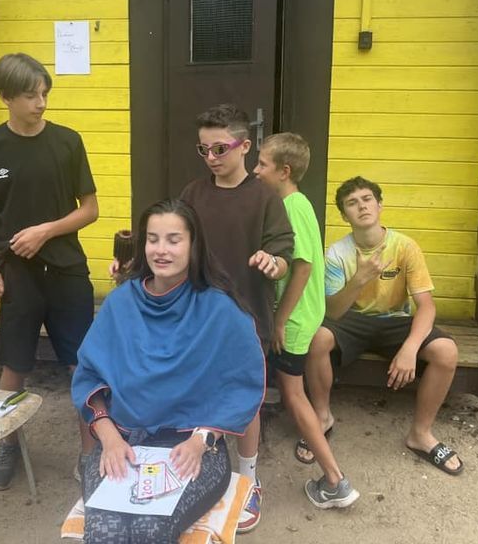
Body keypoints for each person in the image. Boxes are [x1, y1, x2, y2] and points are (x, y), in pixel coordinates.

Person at [72, 199, 265, 543]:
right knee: (104, 532)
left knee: (150, 530)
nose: (161, 250)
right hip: (122, 441)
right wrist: (109, 438)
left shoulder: (219, 308)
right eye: (153, 239)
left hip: (191, 445)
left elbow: (241, 385)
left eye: (173, 240)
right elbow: (89, 377)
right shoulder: (121, 303)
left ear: (193, 245)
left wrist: (201, 440)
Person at [0, 53, 99, 490]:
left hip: (67, 270)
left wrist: (46, 231)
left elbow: (90, 210)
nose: (41, 103)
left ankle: (90, 454)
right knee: (14, 364)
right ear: (6, 97)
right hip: (16, 275)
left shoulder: (67, 142)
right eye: (30, 96)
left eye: (44, 93)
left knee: (82, 365)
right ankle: (8, 445)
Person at [180, 104, 295, 532]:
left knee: (245, 400)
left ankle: (247, 477)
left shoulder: (265, 197)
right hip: (197, 314)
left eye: (220, 148)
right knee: (197, 392)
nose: (211, 157)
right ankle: (204, 465)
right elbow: (174, 243)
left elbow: (284, 256)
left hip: (248, 316)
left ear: (244, 146)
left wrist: (272, 262)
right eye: (204, 149)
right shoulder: (193, 194)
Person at [305, 176, 464, 475]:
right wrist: (359, 279)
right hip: (352, 320)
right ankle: (322, 418)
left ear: (379, 205)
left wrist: (410, 348)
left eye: (367, 199)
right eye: (352, 203)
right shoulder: (337, 253)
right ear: (344, 215)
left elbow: (426, 305)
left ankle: (421, 435)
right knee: (317, 339)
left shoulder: (405, 247)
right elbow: (334, 311)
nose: (361, 207)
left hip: (395, 321)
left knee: (446, 351)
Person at [253, 133, 360, 508]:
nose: (255, 170)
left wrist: (280, 320)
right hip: (304, 313)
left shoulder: (291, 207)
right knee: (292, 392)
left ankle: (335, 481)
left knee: (294, 395)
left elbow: (301, 267)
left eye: (262, 164)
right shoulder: (297, 202)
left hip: (295, 318)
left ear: (284, 171)